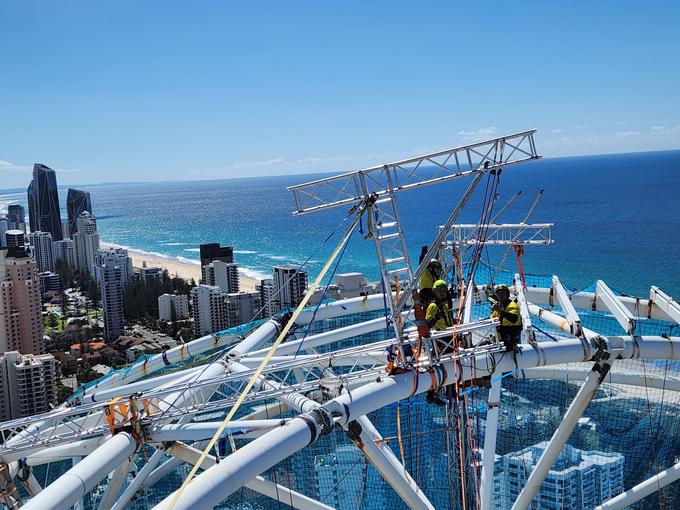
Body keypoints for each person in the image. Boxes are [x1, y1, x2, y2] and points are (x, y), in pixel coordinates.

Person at [490, 284, 522, 351]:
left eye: (503, 293)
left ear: (508, 295)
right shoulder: (500, 307)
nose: (500, 295)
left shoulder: (512, 305)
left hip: (509, 344)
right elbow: (490, 319)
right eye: (498, 294)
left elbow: (514, 319)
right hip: (501, 341)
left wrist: (499, 310)